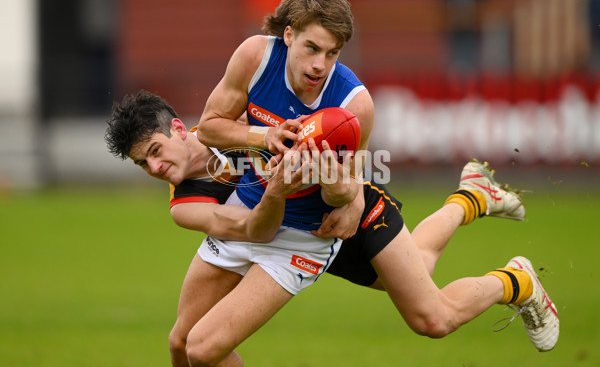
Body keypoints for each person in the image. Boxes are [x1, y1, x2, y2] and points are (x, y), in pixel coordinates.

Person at [105, 89, 559, 367]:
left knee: (431, 311)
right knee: (184, 341)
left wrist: (344, 180)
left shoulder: (232, 127)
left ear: (181, 129)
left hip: (350, 211)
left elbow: (335, 123)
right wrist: (276, 191)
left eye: (156, 150)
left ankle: (513, 278)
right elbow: (253, 229)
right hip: (299, 240)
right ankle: (472, 197)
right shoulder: (185, 203)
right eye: (143, 163)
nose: (155, 166)